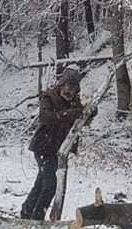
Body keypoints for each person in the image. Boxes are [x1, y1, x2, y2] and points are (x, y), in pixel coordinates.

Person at [21, 68, 93, 220]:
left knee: (41, 183)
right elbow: (46, 117)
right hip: (43, 146)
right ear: (61, 85)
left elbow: (81, 120)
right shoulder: (49, 97)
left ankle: (26, 213)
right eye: (68, 86)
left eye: (73, 88)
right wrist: (68, 114)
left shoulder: (74, 101)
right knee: (50, 185)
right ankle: (36, 219)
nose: (70, 90)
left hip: (57, 150)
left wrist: (90, 113)